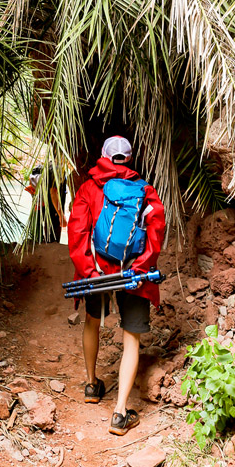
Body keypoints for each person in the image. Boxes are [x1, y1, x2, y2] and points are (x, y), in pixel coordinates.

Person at [67, 136, 165, 436]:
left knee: (92, 322)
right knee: (131, 338)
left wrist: (88, 270)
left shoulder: (89, 187)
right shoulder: (144, 190)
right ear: (129, 158)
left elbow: (77, 230)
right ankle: (121, 412)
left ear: (103, 156)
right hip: (133, 274)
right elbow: (156, 231)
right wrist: (141, 267)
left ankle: (92, 385)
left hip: (97, 270)